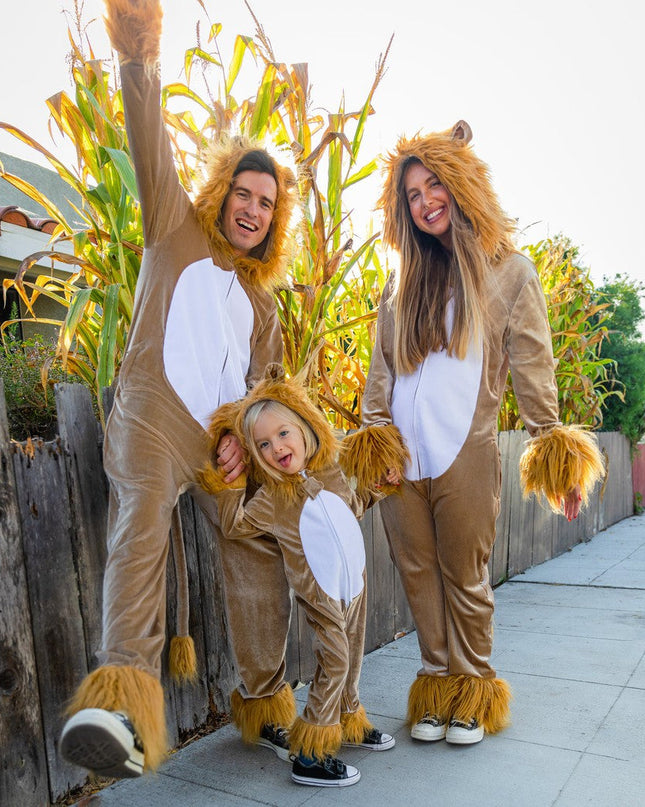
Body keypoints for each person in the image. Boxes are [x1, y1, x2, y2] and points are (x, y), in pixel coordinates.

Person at [59, 0, 298, 778]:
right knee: (143, 519)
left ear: (275, 216)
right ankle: (120, 699)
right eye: (244, 193)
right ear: (223, 189)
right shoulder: (174, 221)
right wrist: (138, 48)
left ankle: (266, 698)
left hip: (219, 443)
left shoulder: (263, 305)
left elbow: (264, 389)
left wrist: (242, 435)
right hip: (154, 421)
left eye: (266, 203)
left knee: (257, 536)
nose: (252, 210)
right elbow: (145, 124)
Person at [341, 121, 604, 746]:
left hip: (467, 452)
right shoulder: (399, 282)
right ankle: (435, 684)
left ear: (461, 186)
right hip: (403, 460)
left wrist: (557, 458)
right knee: (417, 573)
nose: (426, 200)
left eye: (436, 184)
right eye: (412, 193)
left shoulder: (508, 271)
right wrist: (376, 437)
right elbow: (381, 375)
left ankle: (473, 687)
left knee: (465, 573)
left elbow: (535, 369)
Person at [199, 364, 395, 787]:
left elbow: (355, 504)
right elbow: (236, 528)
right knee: (336, 657)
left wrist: (380, 485)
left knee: (352, 656)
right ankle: (310, 752)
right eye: (263, 444)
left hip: (354, 586)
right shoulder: (272, 498)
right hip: (320, 595)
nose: (277, 448)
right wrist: (231, 488)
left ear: (305, 426)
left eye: (283, 434)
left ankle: (348, 722)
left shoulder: (333, 472)